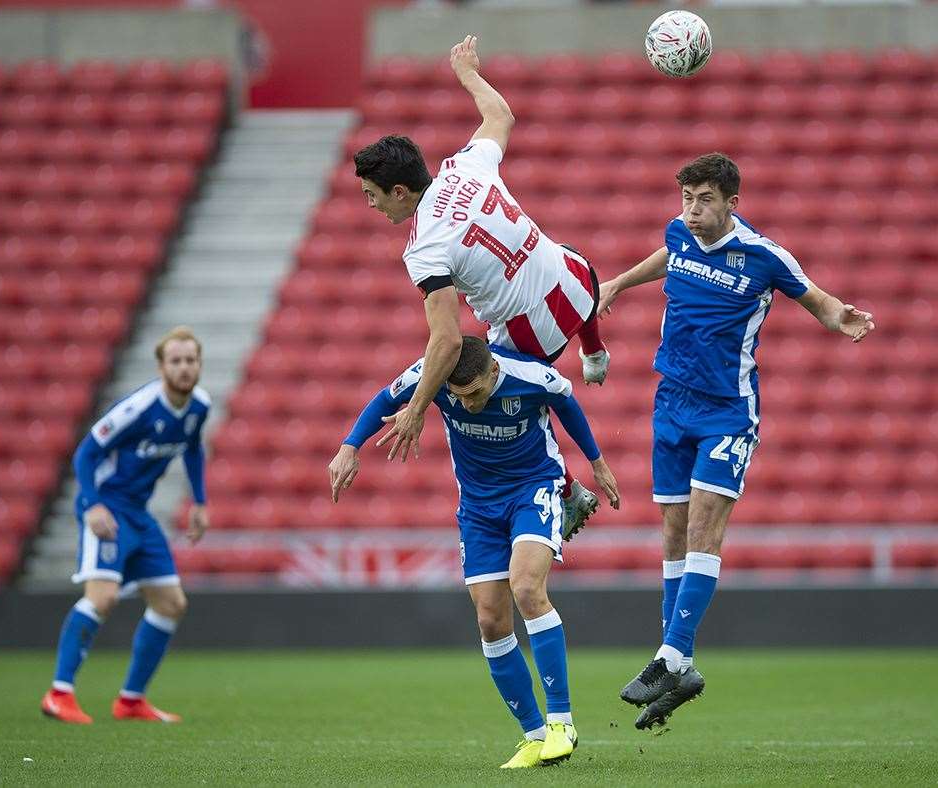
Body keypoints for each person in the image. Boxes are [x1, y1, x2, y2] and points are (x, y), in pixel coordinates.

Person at [597, 153, 875, 729]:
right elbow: (668, 256)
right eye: (686, 199)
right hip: (670, 403)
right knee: (673, 531)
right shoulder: (679, 234)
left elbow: (816, 299)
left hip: (727, 412)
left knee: (703, 527)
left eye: (703, 200)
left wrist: (838, 316)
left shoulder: (764, 256)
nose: (691, 211)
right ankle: (684, 664)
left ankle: (668, 656)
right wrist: (621, 283)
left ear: (731, 202)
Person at [352, 35, 609, 536]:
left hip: (535, 330)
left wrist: (417, 409)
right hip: (578, 278)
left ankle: (564, 488)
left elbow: (446, 342)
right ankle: (595, 351)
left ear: (399, 191)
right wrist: (468, 74)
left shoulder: (424, 248)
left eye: (373, 195)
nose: (371, 205)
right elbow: (502, 117)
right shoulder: (461, 165)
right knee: (559, 256)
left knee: (500, 385)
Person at [328, 336, 620, 768]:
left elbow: (566, 399)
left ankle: (562, 721)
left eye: (475, 393)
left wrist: (596, 462)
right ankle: (535, 737)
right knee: (489, 618)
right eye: (458, 398)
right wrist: (349, 446)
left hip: (532, 489)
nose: (466, 404)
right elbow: (383, 398)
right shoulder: (435, 375)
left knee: (526, 588)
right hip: (478, 508)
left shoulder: (529, 376)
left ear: (492, 373)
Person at [40, 326, 210, 724]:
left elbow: (193, 449)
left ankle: (131, 700)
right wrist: (94, 505)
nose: (184, 368)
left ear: (199, 364)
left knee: (172, 604)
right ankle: (58, 693)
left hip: (139, 513)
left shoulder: (199, 406)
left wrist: (200, 501)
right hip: (109, 508)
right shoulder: (139, 408)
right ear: (161, 366)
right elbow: (86, 453)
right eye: (176, 361)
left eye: (191, 360)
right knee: (102, 598)